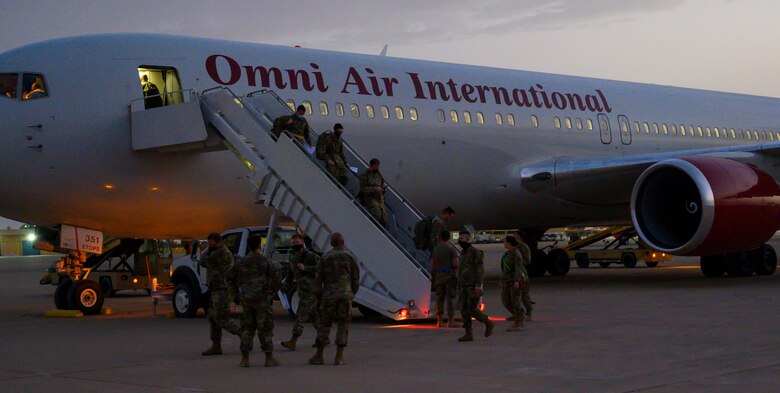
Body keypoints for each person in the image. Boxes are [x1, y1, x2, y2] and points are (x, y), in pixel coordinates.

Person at [230, 235, 282, 367]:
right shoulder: (264, 261)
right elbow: (277, 277)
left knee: (248, 327)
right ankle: (269, 357)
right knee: (264, 328)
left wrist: (235, 294)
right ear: (259, 245)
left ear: (248, 246)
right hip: (262, 299)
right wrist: (273, 291)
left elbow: (229, 277)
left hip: (247, 299)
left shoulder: (241, 262)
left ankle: (245, 358)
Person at [310, 233, 359, 366]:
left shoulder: (324, 258)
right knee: (343, 325)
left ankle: (319, 355)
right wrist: (351, 292)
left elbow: (318, 280)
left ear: (331, 243)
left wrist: (318, 296)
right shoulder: (350, 257)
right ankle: (339, 356)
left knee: (324, 325)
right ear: (342, 242)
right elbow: (355, 280)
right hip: (345, 295)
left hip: (329, 296)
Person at [199, 233, 241, 356]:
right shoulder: (214, 252)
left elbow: (204, 262)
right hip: (214, 289)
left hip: (222, 289)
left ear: (218, 242)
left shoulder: (222, 253)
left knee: (221, 318)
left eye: (211, 244)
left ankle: (242, 333)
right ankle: (216, 345)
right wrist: (208, 251)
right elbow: (202, 261)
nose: (209, 246)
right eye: (208, 244)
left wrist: (207, 252)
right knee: (212, 317)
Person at [281, 234, 321, 351]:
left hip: (310, 290)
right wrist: (284, 287)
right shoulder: (293, 257)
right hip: (301, 289)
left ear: (302, 242)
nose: (295, 245)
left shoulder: (310, 256)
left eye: (297, 243)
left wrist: (306, 268)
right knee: (313, 315)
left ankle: (293, 340)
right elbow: (290, 275)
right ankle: (323, 337)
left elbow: (321, 269)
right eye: (293, 243)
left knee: (300, 315)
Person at [456, 231, 494, 342]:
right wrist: (459, 286)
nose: (460, 240)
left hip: (472, 285)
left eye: (462, 238)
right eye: (459, 238)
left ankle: (488, 322)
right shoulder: (462, 253)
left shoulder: (476, 252)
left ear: (468, 240)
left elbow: (480, 269)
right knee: (463, 309)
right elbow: (461, 270)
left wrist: (478, 285)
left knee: (472, 309)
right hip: (464, 285)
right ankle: (468, 333)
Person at [431, 230, 459, 328]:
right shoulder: (451, 249)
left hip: (439, 276)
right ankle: (451, 320)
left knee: (440, 299)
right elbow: (456, 264)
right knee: (450, 298)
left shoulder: (436, 249)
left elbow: (433, 265)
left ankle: (440, 321)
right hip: (449, 276)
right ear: (449, 238)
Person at [500, 236, 526, 331]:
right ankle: (519, 315)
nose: (504, 243)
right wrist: (502, 280)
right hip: (507, 280)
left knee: (515, 302)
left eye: (505, 241)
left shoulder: (516, 253)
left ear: (509, 243)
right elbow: (505, 269)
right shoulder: (508, 253)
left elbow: (518, 268)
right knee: (505, 301)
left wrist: (517, 281)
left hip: (514, 280)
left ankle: (518, 322)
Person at [359, 158, 387, 225]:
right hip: (370, 198)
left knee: (384, 215)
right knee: (377, 213)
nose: (377, 167)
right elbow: (363, 189)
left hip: (379, 197)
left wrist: (383, 189)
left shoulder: (378, 174)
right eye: (376, 166)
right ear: (372, 165)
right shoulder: (364, 175)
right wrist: (374, 188)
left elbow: (382, 182)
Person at [514, 230, 534, 321]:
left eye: (515, 235)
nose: (514, 237)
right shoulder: (514, 246)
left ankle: (529, 312)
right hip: (513, 273)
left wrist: (519, 264)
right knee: (514, 295)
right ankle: (517, 313)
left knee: (524, 295)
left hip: (521, 273)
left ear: (519, 236)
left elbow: (528, 260)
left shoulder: (524, 247)